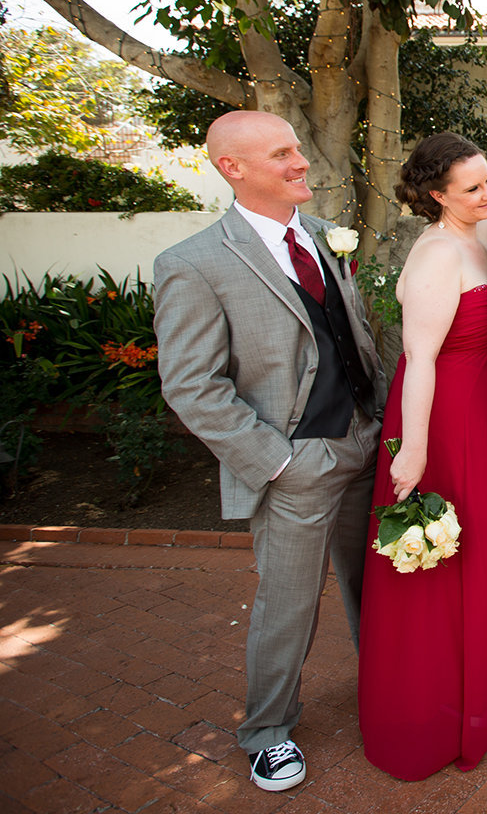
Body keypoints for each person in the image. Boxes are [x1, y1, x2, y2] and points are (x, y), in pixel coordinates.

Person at [154, 110, 386, 792]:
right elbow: (192, 386)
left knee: (379, 588)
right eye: (282, 152)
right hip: (296, 466)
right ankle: (266, 730)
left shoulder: (320, 237)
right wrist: (277, 461)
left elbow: (358, 336)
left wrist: (386, 420)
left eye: (297, 147)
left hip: (364, 442)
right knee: (288, 605)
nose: (300, 161)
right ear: (234, 168)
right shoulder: (193, 264)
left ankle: (386, 693)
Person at [357, 133, 487, 779]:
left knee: (484, 553)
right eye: (472, 188)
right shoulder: (439, 253)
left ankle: (478, 685)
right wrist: (412, 453)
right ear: (437, 196)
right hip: (444, 422)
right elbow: (417, 364)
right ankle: (435, 706)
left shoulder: (479, 228)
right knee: (443, 563)